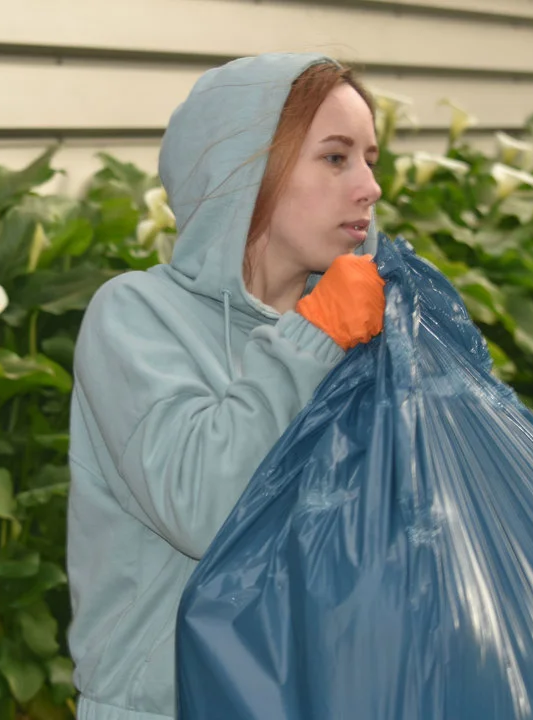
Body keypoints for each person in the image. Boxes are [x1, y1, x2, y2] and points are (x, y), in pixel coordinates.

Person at [65, 52, 387, 720]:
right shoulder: (136, 316)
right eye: (335, 158)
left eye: (370, 159)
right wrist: (313, 337)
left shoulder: (357, 332)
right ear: (244, 170)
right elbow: (208, 510)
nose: (369, 187)